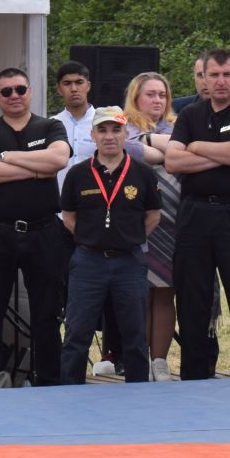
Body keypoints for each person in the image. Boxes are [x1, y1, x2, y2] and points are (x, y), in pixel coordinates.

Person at [165, 49, 230, 379]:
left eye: (227, 74)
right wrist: (226, 153)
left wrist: (196, 147)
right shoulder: (190, 116)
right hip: (195, 213)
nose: (220, 81)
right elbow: (173, 161)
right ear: (204, 78)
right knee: (193, 300)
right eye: (214, 75)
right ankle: (195, 378)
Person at [0, 67, 72, 387]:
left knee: (47, 315)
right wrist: (34, 169)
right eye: (7, 91)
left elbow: (58, 160)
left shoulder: (51, 125)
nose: (14, 96)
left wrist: (8, 157)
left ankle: (50, 384)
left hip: (44, 231)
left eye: (20, 89)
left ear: (30, 91)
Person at [59, 108, 160, 384]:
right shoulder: (77, 174)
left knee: (135, 335)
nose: (109, 136)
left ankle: (137, 396)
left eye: (116, 130)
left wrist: (129, 238)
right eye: (102, 130)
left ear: (126, 134)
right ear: (93, 135)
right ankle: (69, 393)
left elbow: (153, 216)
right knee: (77, 333)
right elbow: (68, 217)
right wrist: (92, 238)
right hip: (88, 262)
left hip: (129, 261)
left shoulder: (143, 174)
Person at [125, 71, 181, 381]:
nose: (157, 100)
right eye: (150, 94)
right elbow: (132, 151)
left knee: (164, 294)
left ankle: (159, 361)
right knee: (138, 294)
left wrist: (157, 147)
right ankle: (138, 359)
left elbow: (181, 153)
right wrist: (166, 151)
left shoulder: (178, 128)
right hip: (137, 224)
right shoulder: (122, 128)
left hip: (174, 224)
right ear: (136, 98)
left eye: (162, 95)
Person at [52, 60, 98, 188]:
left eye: (79, 82)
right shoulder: (51, 124)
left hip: (97, 202)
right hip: (59, 202)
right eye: (67, 83)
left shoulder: (105, 123)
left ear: (88, 86)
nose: (73, 89)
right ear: (59, 89)